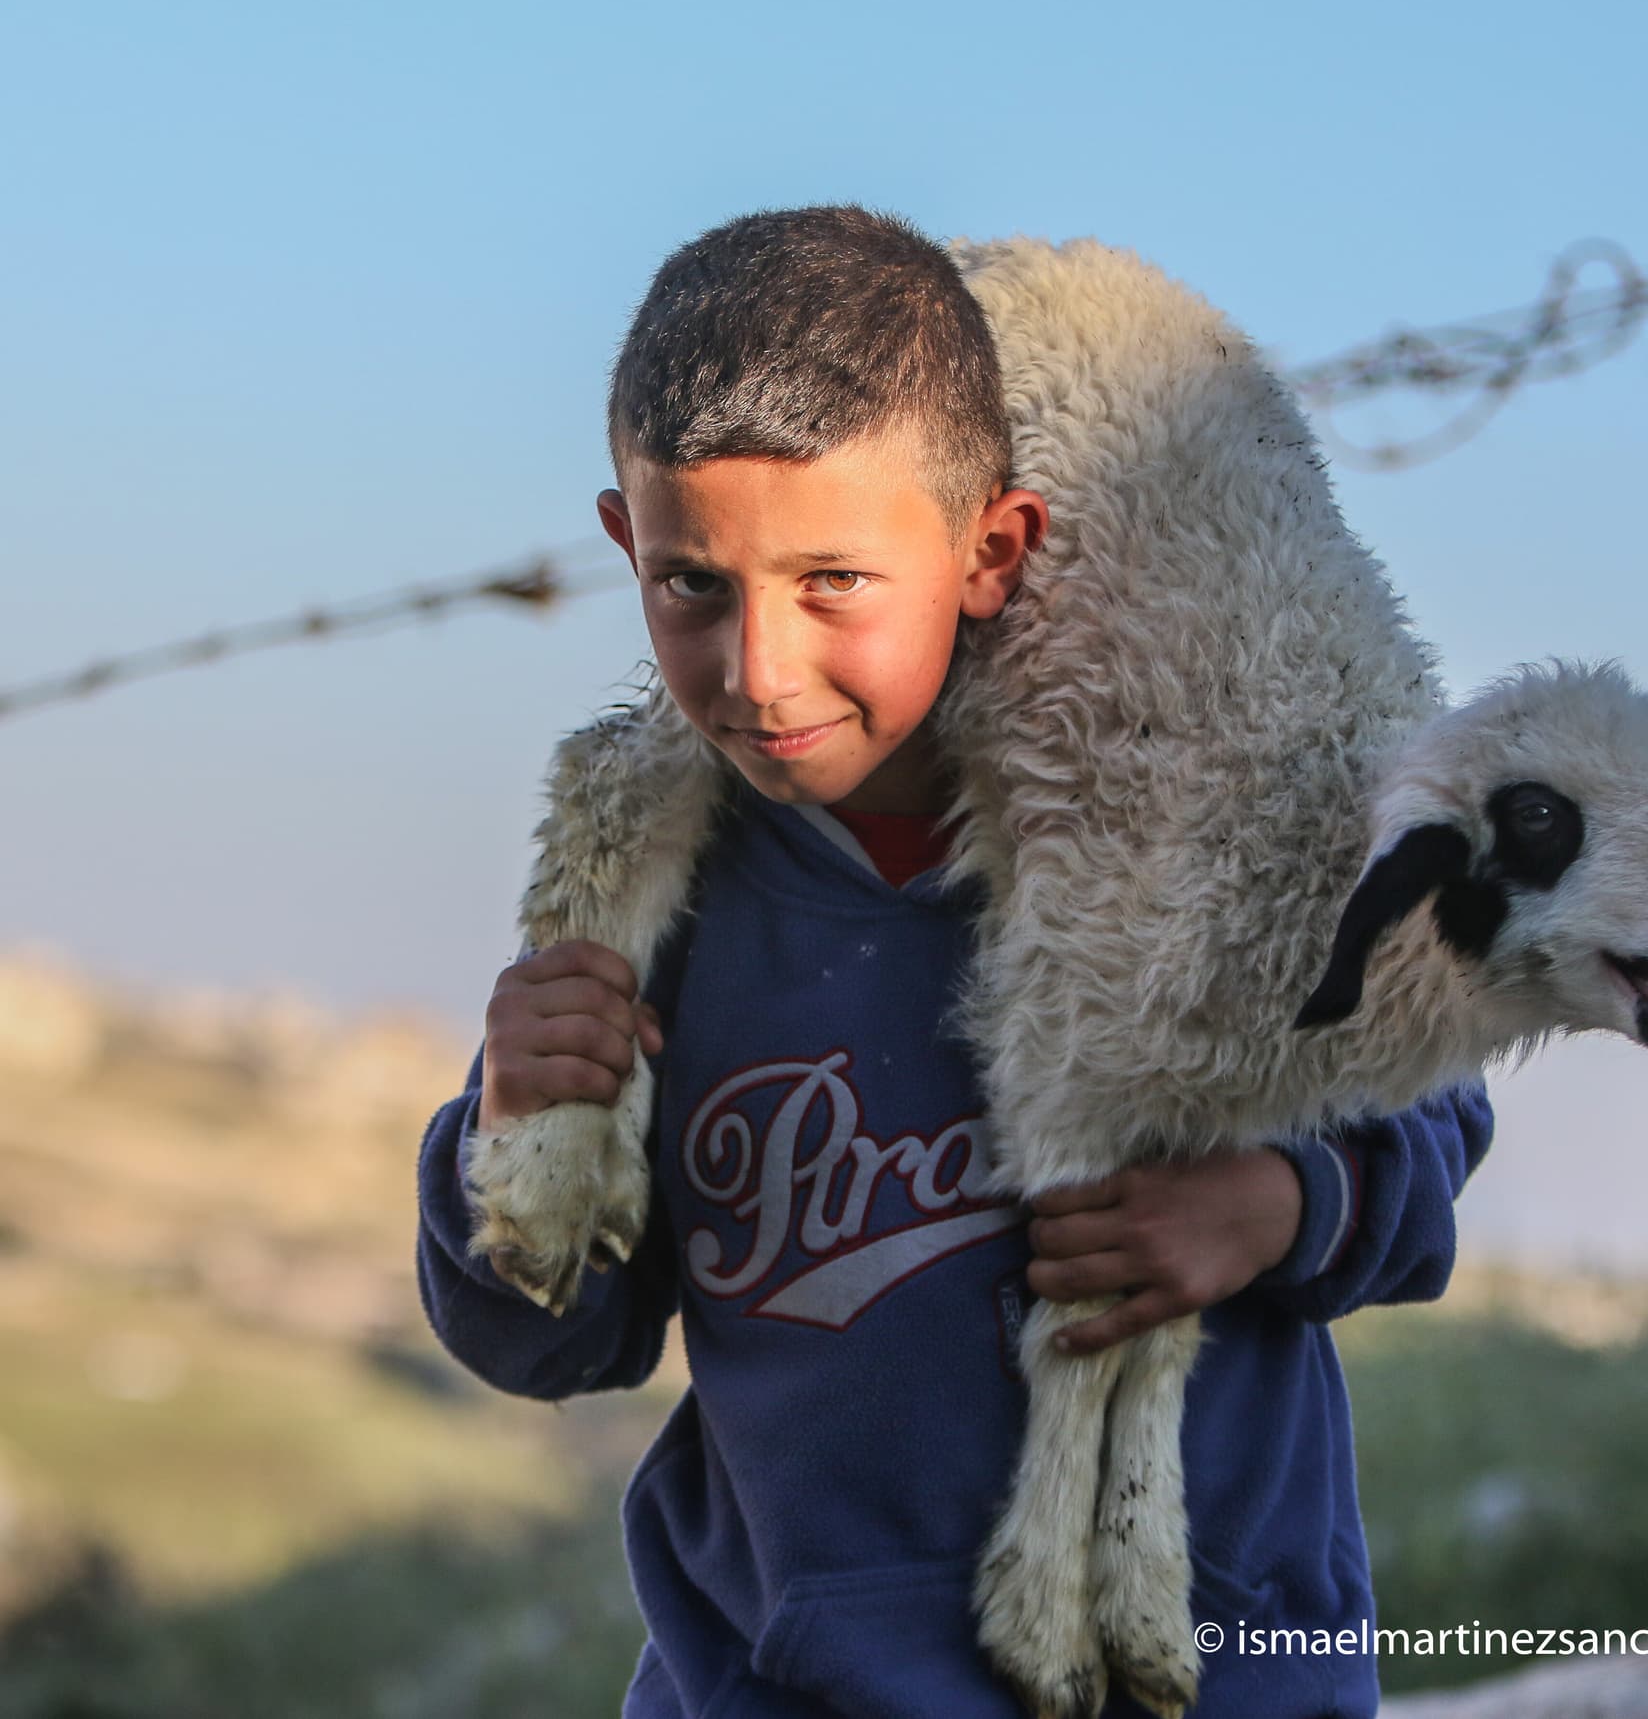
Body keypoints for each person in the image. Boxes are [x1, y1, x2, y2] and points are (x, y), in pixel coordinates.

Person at [415, 205, 1494, 1719]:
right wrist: (514, 1127)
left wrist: (1280, 1203)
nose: (759, 669)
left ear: (993, 548)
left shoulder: (1213, 816)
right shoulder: (646, 904)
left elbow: (1436, 1087)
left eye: (832, 582)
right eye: (693, 585)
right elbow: (556, 1335)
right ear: (624, 544)